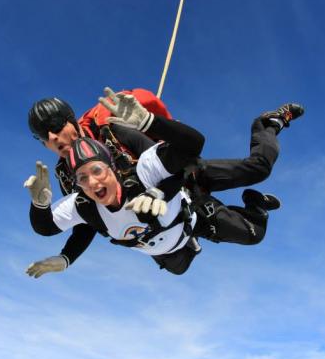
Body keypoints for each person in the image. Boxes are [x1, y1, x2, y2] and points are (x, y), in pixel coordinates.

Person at [24, 92, 299, 276]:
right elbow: (89, 221)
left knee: (257, 169)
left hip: (180, 177)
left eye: (58, 128)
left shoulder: (110, 130)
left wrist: (148, 125)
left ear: (72, 121)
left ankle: (268, 124)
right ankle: (254, 207)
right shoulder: (66, 175)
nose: (54, 138)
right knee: (250, 234)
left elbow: (176, 159)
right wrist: (67, 258)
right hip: (161, 215)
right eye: (44, 138)